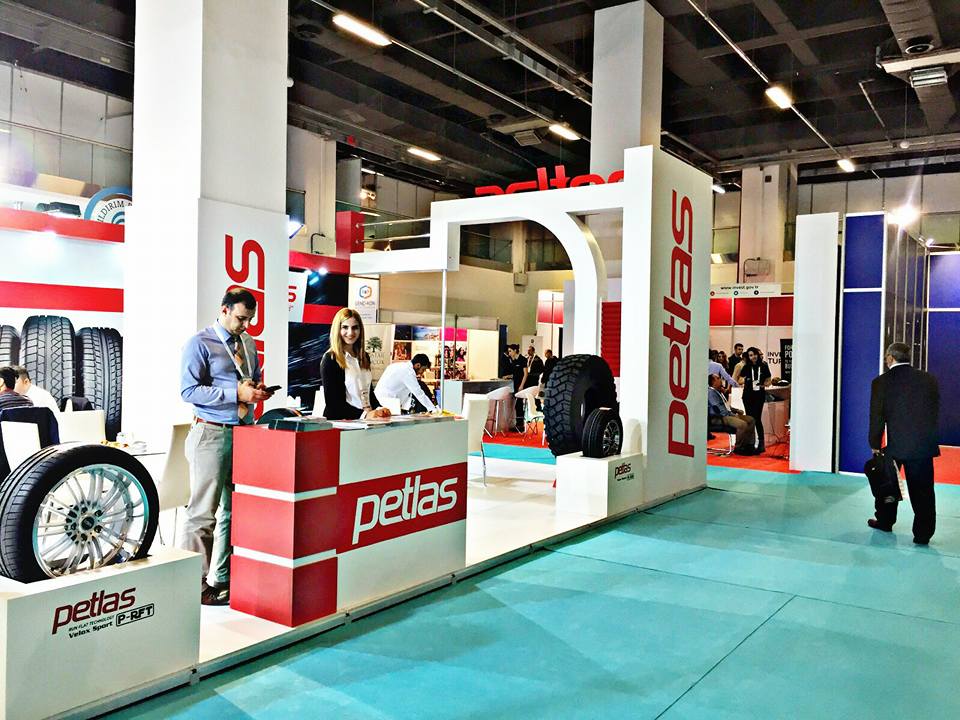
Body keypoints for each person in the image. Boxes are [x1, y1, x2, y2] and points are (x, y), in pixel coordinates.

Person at [180, 288, 275, 606]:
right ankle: (193, 586)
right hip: (211, 433)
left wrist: (257, 390)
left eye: (249, 320)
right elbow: (189, 391)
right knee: (202, 514)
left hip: (243, 432)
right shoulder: (199, 343)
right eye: (241, 318)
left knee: (234, 510)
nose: (245, 325)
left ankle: (221, 577)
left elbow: (252, 377)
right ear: (224, 310)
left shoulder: (247, 343)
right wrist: (235, 393)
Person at [868, 342, 940, 544]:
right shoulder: (929, 379)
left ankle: (885, 521)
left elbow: (877, 417)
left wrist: (874, 443)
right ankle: (923, 534)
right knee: (923, 491)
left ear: (890, 358)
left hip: (895, 444)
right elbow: (934, 411)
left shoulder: (880, 382)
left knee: (886, 485)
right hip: (922, 444)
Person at [320, 308, 392, 421]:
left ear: (360, 330)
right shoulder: (331, 359)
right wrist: (364, 415)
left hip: (366, 421)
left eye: (355, 327)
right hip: (344, 423)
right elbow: (334, 404)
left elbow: (368, 393)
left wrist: (379, 409)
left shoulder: (364, 357)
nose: (350, 333)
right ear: (337, 329)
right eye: (345, 327)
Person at [734, 346, 771, 453]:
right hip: (748, 396)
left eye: (754, 354)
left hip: (759, 396)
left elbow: (769, 380)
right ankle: (750, 443)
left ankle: (761, 444)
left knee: (757, 419)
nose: (753, 357)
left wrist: (764, 384)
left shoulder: (763, 366)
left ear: (757, 355)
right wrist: (746, 380)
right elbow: (739, 380)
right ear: (748, 357)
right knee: (750, 419)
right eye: (750, 355)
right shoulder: (746, 366)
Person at [707, 374, 757, 454]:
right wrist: (733, 415)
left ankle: (749, 445)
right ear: (713, 381)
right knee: (742, 424)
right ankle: (739, 448)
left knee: (751, 420)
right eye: (718, 378)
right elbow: (718, 409)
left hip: (726, 415)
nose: (721, 380)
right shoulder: (711, 393)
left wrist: (736, 410)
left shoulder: (718, 392)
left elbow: (726, 406)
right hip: (718, 418)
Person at [506, 344, 526, 431]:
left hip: (520, 385)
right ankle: (518, 424)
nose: (509, 353)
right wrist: (508, 376)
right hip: (515, 384)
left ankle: (520, 425)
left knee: (519, 405)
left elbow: (525, 374)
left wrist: (522, 385)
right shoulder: (513, 360)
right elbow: (515, 373)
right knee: (517, 405)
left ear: (515, 350)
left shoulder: (522, 359)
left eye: (510, 351)